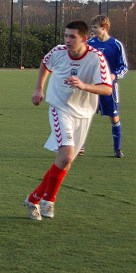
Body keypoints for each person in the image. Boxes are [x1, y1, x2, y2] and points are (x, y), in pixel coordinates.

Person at [24, 21, 112, 220]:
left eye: (72, 37)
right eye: (66, 35)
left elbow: (107, 88)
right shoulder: (58, 52)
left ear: (84, 39)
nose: (67, 40)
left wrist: (83, 85)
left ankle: (41, 198)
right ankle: (41, 199)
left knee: (66, 161)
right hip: (60, 108)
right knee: (66, 156)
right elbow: (45, 64)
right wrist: (39, 88)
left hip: (84, 114)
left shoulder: (96, 58)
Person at [81, 15, 129, 158]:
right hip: (92, 86)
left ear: (104, 27)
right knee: (85, 115)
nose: (93, 30)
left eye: (95, 27)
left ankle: (117, 149)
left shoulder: (116, 45)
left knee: (114, 118)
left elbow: (124, 67)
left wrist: (114, 75)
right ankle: (80, 146)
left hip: (109, 88)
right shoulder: (90, 43)